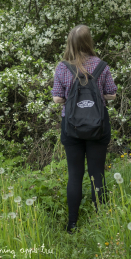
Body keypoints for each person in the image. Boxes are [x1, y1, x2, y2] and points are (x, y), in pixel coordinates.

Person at [51, 25, 117, 234]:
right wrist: (97, 96)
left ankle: (72, 224)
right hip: (98, 126)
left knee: (75, 174)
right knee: (97, 173)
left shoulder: (63, 67)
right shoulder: (102, 66)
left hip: (71, 128)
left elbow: (57, 98)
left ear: (70, 42)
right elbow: (112, 94)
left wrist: (70, 97)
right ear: (89, 41)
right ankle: (100, 222)